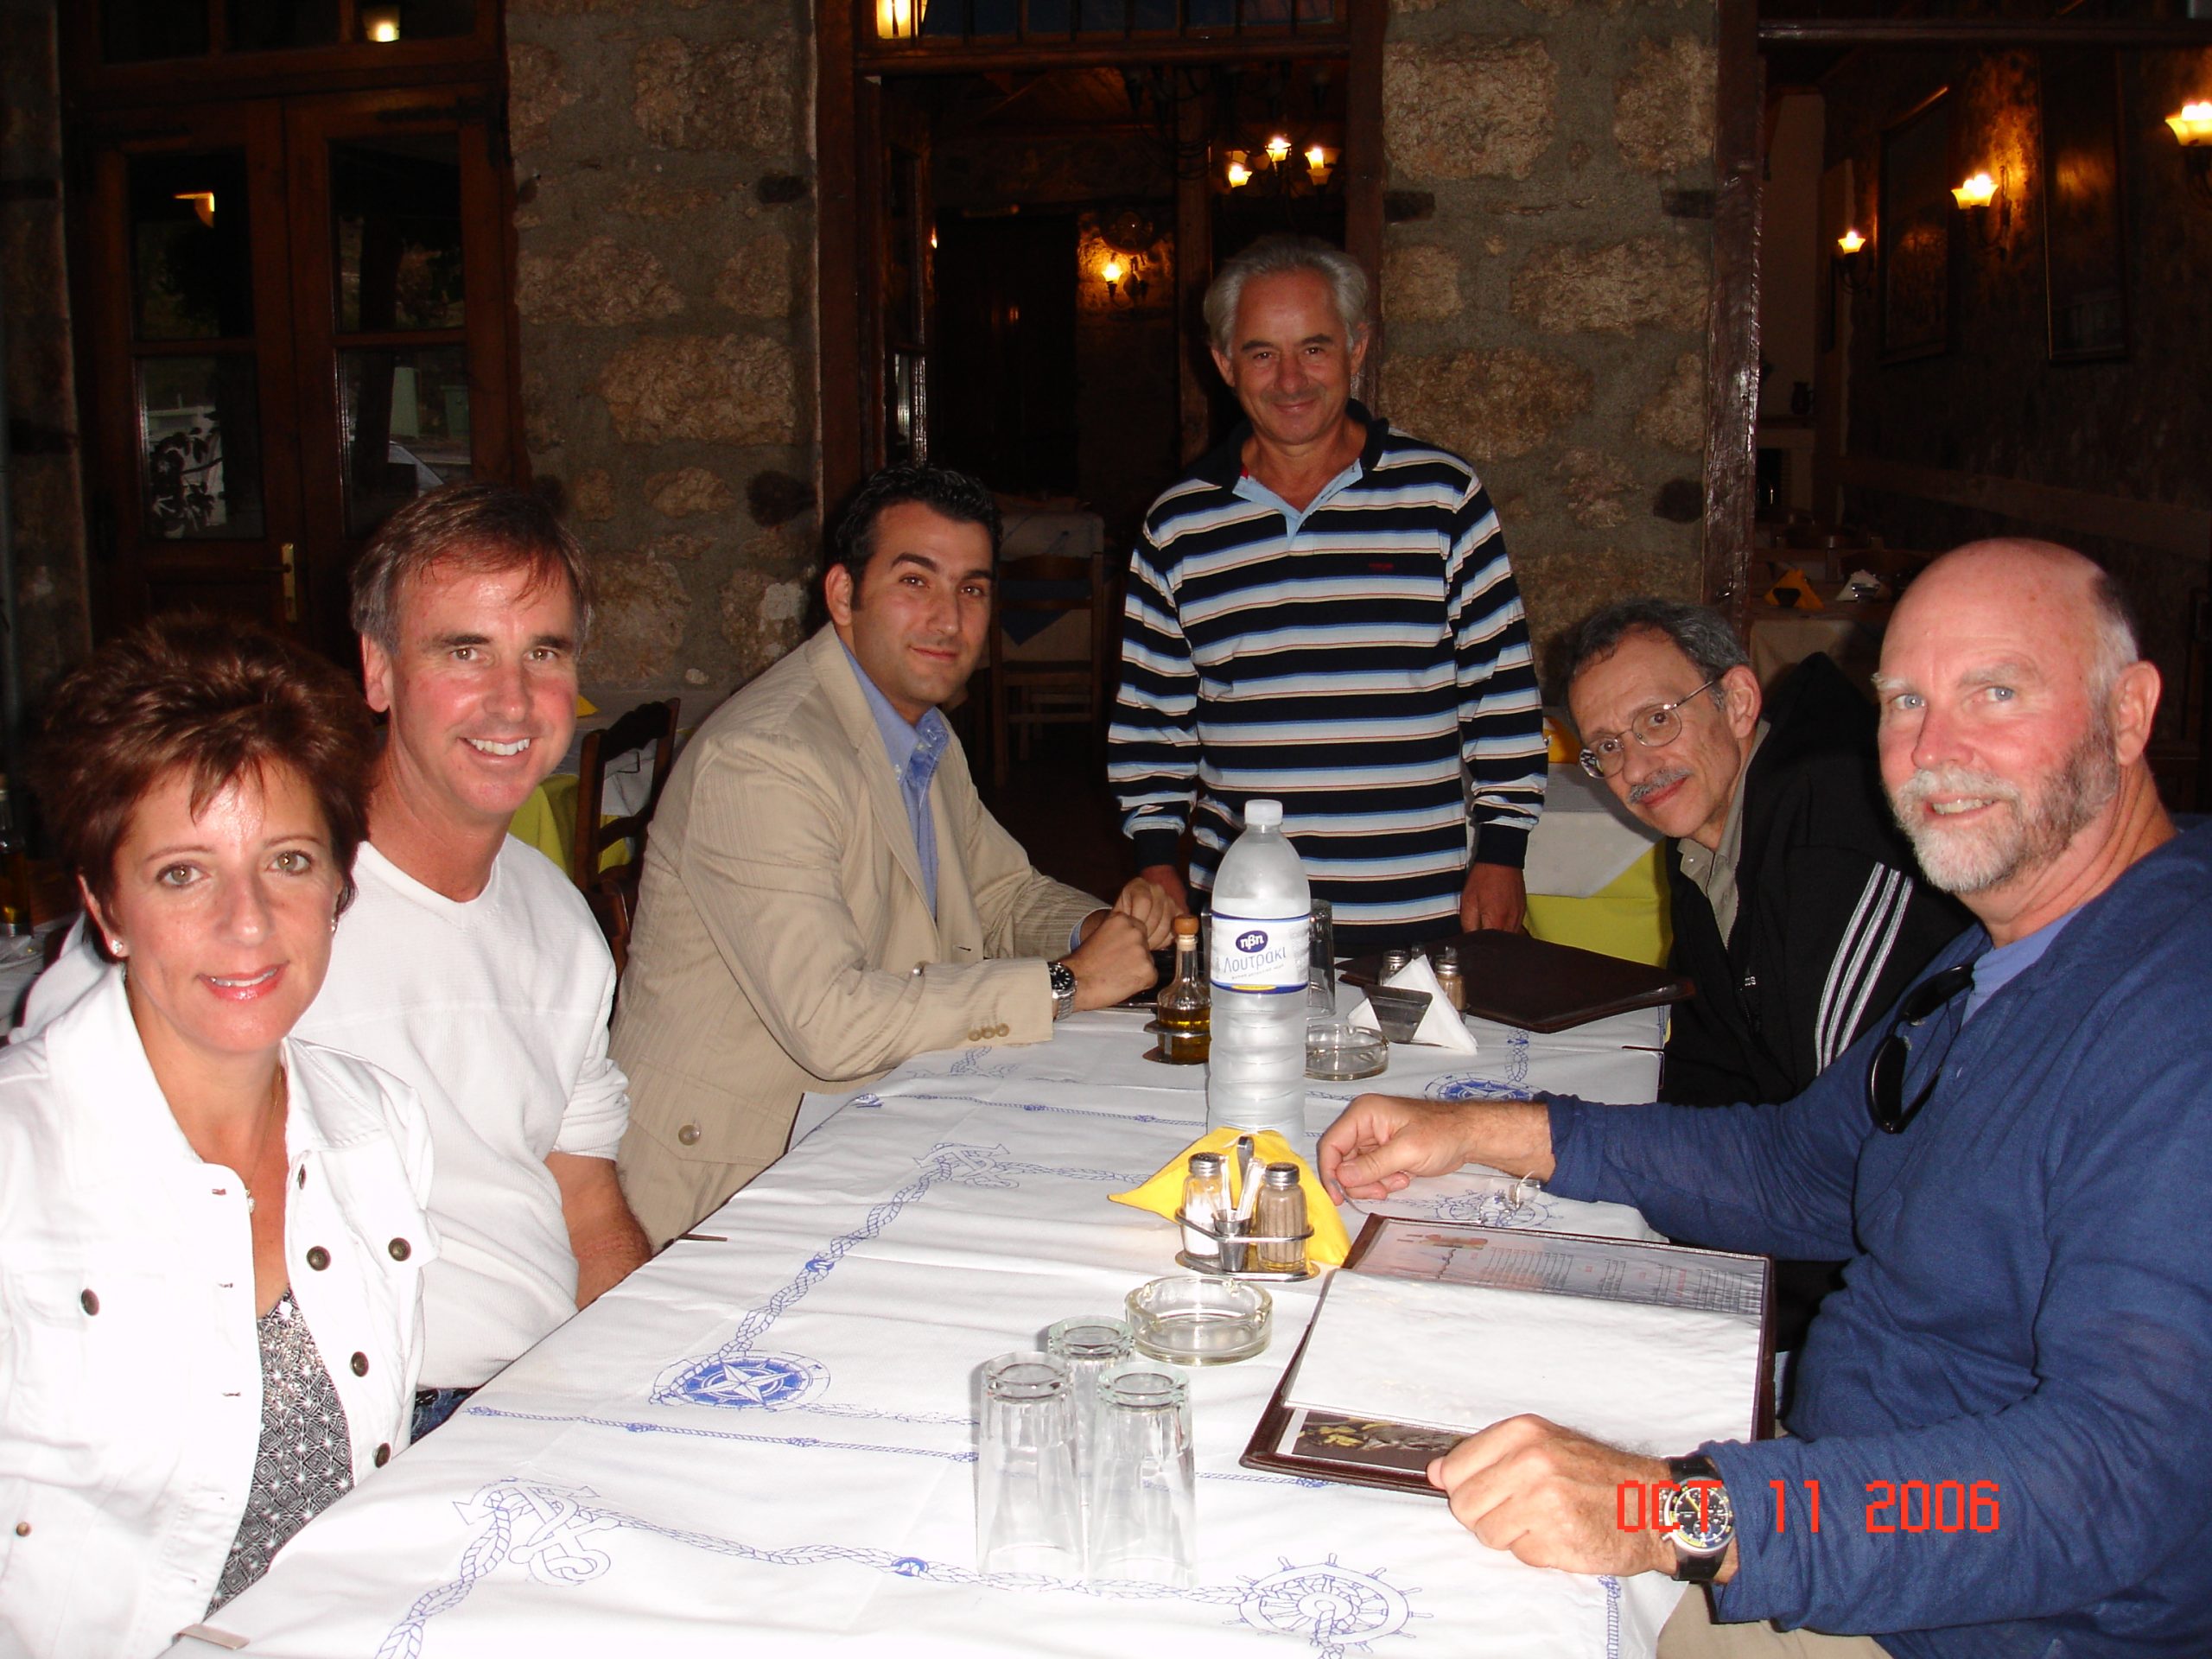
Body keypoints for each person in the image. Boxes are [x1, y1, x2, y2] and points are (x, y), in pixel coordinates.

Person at [1317, 540, 2211, 1659]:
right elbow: (1799, 1168)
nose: (1935, 749)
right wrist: (1480, 1133)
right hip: (1834, 1489)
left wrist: (1671, 1513)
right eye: (1906, 701)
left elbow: (2120, 1484)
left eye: (1996, 692)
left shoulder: (2175, 1017)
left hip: (1981, 1621)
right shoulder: (2002, 961)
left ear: (2128, 714)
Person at [21, 485, 650, 1440]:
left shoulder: (557, 920)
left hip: (545, 1393)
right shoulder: (252, 920)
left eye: (544, 653)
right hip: (372, 1425)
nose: (512, 700)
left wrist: (637, 1387)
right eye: (464, 651)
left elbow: (589, 1206)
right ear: (378, 671)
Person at [1, 618, 435, 1656]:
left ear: (339, 887)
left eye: (288, 861)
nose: (248, 921)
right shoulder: (18, 1161)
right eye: (182, 873)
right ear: (105, 906)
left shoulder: (377, 1125)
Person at [613, 464, 1170, 1248]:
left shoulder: (919, 731)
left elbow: (1001, 892)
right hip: (734, 1185)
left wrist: (1098, 930)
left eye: (972, 589)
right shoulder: (765, 758)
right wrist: (1065, 984)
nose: (948, 618)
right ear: (844, 595)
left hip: (866, 1128)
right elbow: (830, 1022)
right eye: (916, 581)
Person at [1108, 234, 1546, 951]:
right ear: (1224, 364)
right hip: (1248, 923)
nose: (1290, 380)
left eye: (1314, 348)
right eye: (1261, 354)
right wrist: (1156, 858)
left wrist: (1503, 851)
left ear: (1356, 348)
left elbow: (1500, 691)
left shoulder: (1443, 498)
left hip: (1422, 906)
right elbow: (1152, 719)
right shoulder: (1176, 526)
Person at [1559, 601, 1967, 1351]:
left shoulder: (1834, 833)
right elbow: (1706, 1065)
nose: (1636, 769)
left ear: (1739, 702)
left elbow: (1848, 1167)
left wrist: (1716, 1318)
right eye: (1608, 747)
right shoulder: (1703, 841)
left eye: (1657, 721)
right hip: (1798, 1230)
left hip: (1913, 1295)